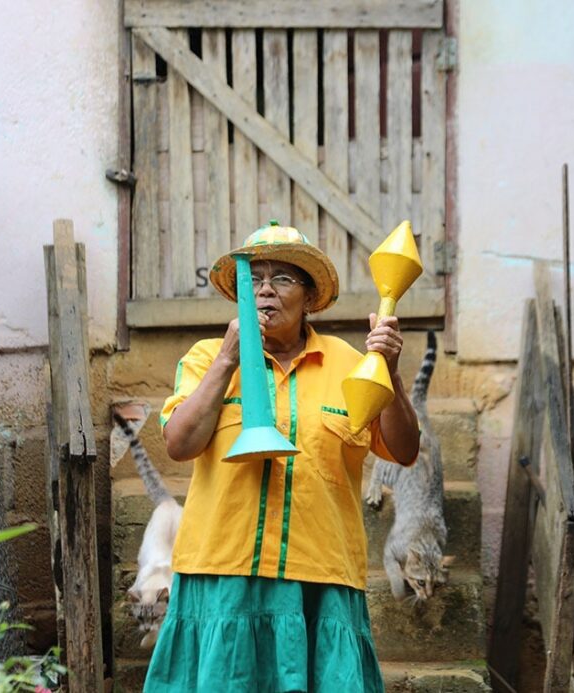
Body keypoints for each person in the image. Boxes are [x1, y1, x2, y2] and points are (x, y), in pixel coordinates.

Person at [144, 221, 421, 692]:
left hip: (320, 579)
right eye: (254, 279)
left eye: (283, 279)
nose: (265, 291)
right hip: (223, 577)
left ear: (310, 297)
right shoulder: (205, 358)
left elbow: (403, 449)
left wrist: (389, 374)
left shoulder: (349, 364)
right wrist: (229, 359)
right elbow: (180, 444)